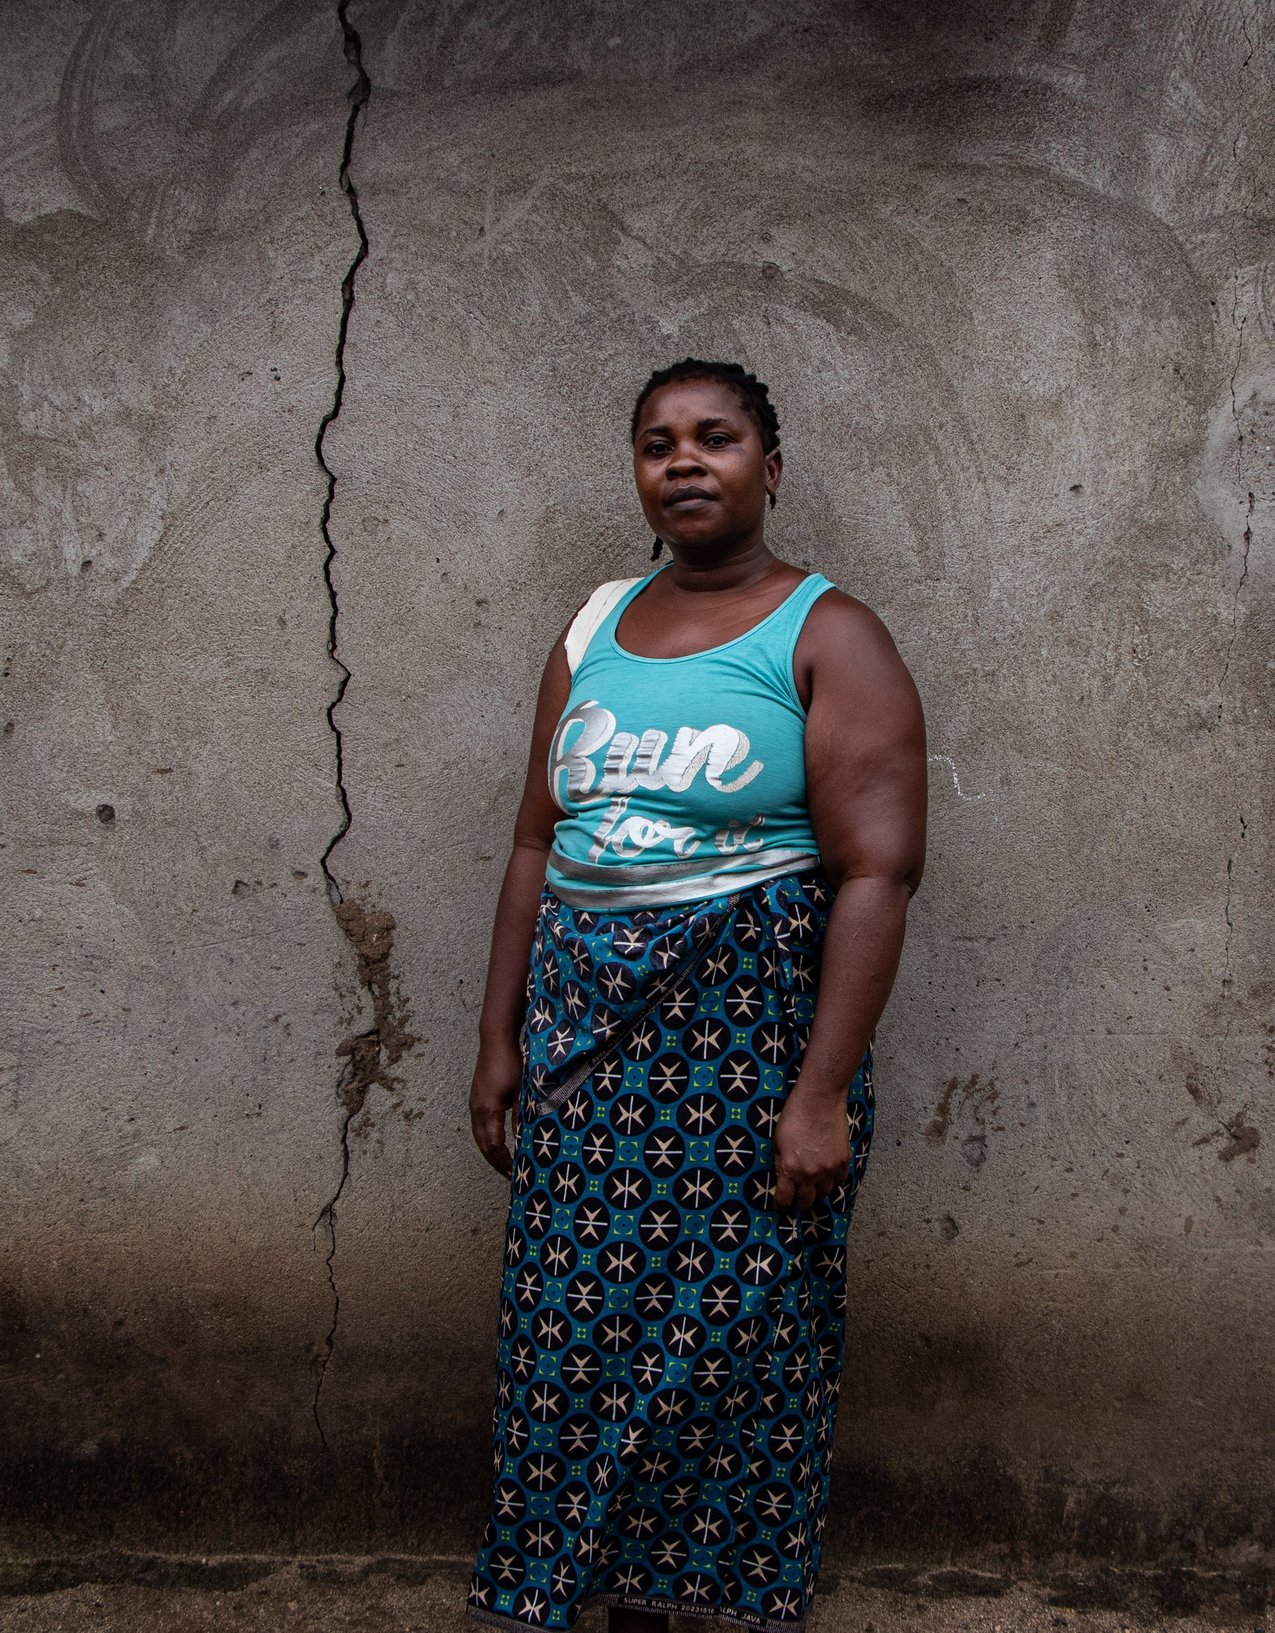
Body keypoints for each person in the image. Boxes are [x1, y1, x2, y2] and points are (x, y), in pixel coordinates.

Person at [466, 359, 927, 1632]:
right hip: (582, 1045)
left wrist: (820, 1094)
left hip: (743, 1048)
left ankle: (709, 1600)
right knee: (570, 1336)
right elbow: (531, 846)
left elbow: (879, 871)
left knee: (737, 1340)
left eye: (715, 439)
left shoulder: (827, 634)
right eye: (657, 441)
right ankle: (576, 1591)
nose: (684, 461)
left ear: (768, 469)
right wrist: (496, 1037)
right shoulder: (590, 632)